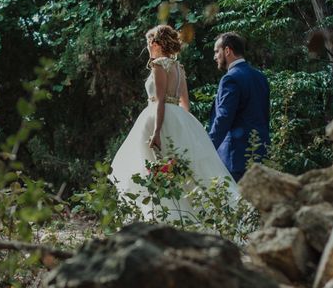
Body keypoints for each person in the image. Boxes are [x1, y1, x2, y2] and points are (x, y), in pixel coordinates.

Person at [110, 25, 238, 221]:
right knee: (179, 172)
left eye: (148, 44)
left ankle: (163, 217)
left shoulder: (159, 65)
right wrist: (184, 129)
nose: (148, 48)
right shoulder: (179, 68)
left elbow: (160, 100)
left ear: (155, 44)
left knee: (154, 169)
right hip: (178, 118)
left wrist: (157, 131)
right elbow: (185, 103)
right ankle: (191, 215)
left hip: (158, 118)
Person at [209, 32, 270, 182]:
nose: (215, 56)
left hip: (235, 157)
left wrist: (208, 146)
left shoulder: (230, 79)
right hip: (261, 153)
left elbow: (223, 118)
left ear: (227, 50)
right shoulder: (260, 77)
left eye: (217, 51)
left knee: (236, 204)